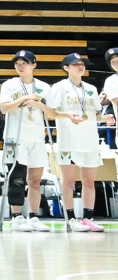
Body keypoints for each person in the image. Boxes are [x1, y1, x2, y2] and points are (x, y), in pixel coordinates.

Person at [46, 52, 105, 234]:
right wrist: (67, 115)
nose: (80, 67)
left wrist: (105, 118)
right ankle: (70, 218)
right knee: (69, 181)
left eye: (82, 64)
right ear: (66, 68)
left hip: (90, 141)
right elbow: (50, 113)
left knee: (89, 181)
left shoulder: (91, 89)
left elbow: (94, 115)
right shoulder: (59, 87)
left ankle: (88, 218)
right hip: (69, 141)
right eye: (76, 64)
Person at [0, 50, 53, 232]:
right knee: (17, 177)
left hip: (37, 136)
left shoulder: (44, 87)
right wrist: (25, 98)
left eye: (24, 63)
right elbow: (4, 108)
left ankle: (34, 217)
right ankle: (16, 217)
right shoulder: (9, 85)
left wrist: (39, 104)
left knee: (35, 179)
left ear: (33, 65)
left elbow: (52, 113)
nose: (20, 66)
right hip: (15, 136)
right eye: (17, 63)